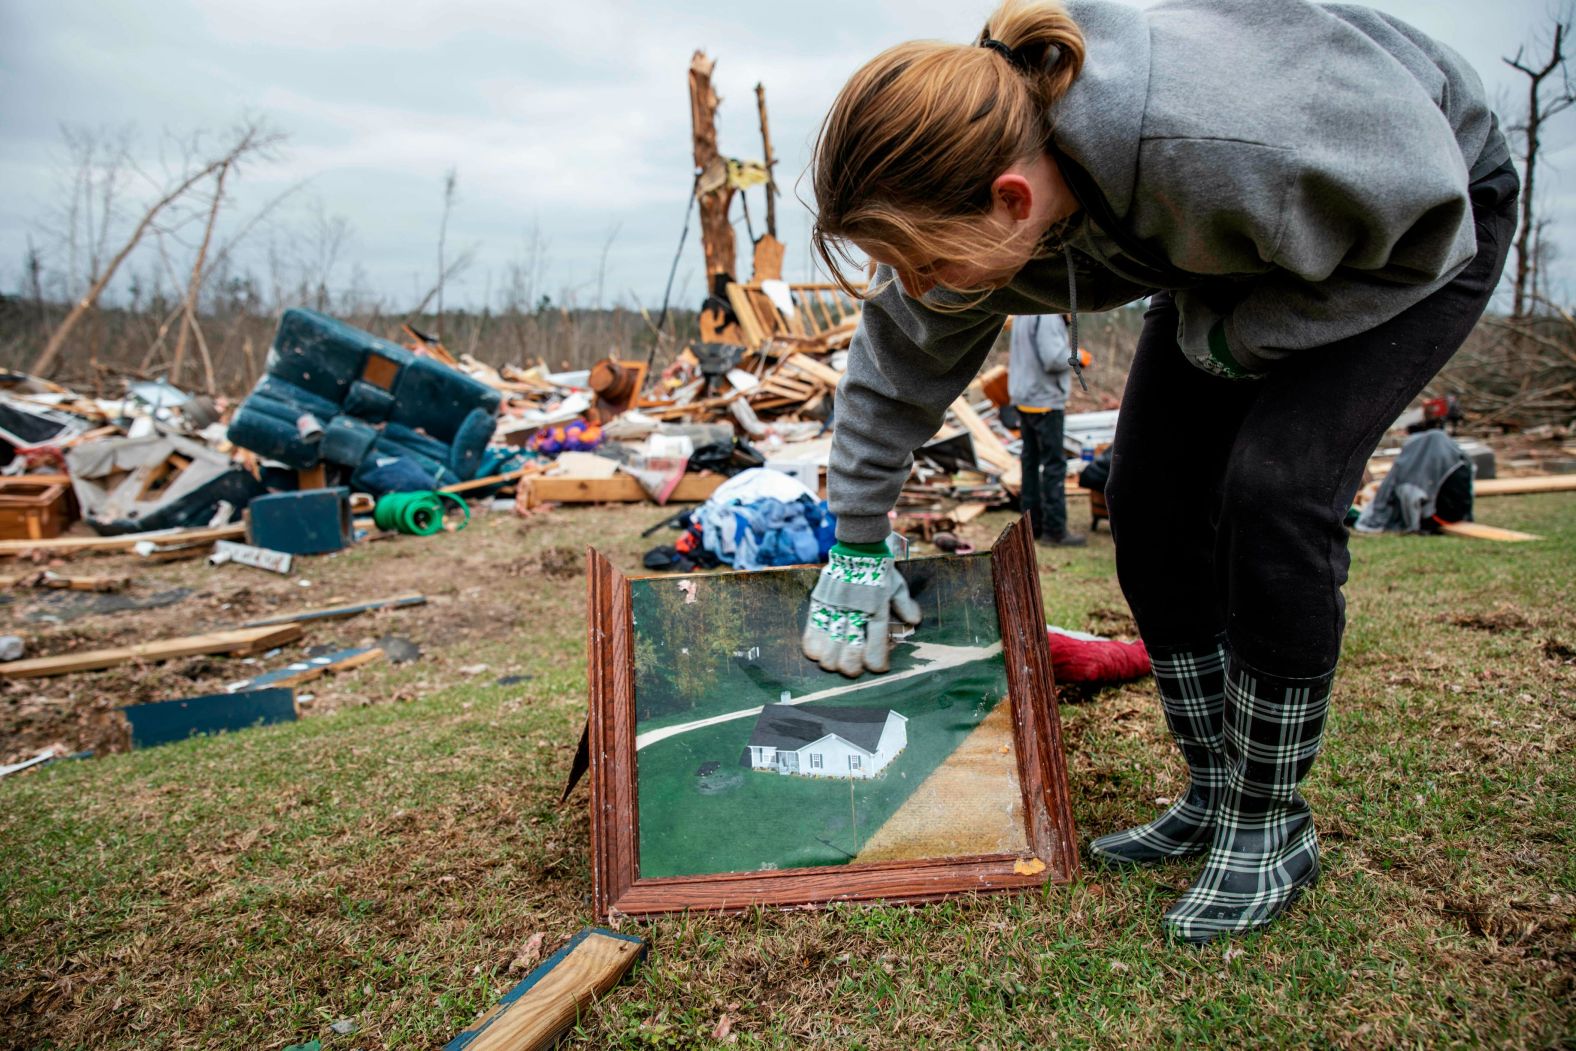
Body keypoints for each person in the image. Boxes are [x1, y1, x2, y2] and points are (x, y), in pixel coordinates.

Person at [798, 0, 1516, 941]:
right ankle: (1214, 790)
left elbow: (1425, 223)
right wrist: (857, 540)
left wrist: (1242, 340)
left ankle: (1268, 822)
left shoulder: (1213, 137)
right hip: (1234, 248)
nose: (920, 286)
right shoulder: (985, 190)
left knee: (1274, 490)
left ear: (1013, 200)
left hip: (1412, 220)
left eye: (928, 262)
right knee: (1144, 494)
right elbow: (897, 361)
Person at [1009, 313, 1086, 546]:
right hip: (1044, 399)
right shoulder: (1049, 314)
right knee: (1054, 465)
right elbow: (1053, 358)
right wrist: (1080, 357)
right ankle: (1055, 531)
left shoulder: (1024, 311)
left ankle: (1031, 527)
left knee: (1030, 463)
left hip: (1026, 397)